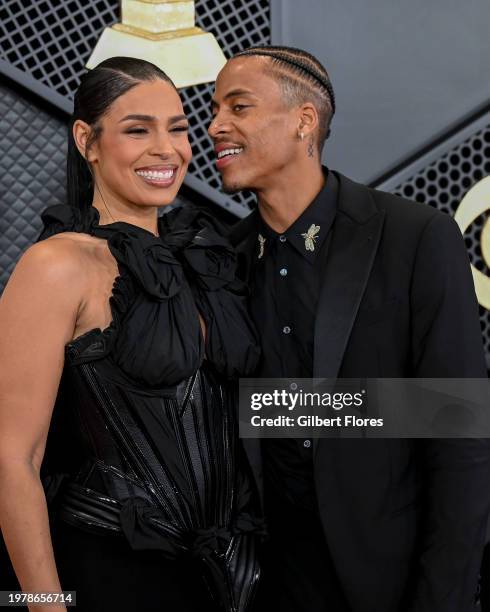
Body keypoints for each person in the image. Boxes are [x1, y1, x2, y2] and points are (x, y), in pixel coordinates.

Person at [208, 45, 490, 611]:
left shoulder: (413, 236)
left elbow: (459, 433)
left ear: (303, 121)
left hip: (393, 582)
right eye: (215, 109)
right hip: (264, 586)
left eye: (238, 107)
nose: (215, 127)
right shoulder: (220, 261)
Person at [0, 56, 264, 612]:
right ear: (87, 140)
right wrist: (47, 605)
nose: (166, 149)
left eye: (177, 128)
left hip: (232, 578)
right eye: (137, 129)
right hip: (111, 577)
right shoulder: (56, 266)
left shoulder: (207, 256)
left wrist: (412, 416)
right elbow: (12, 457)